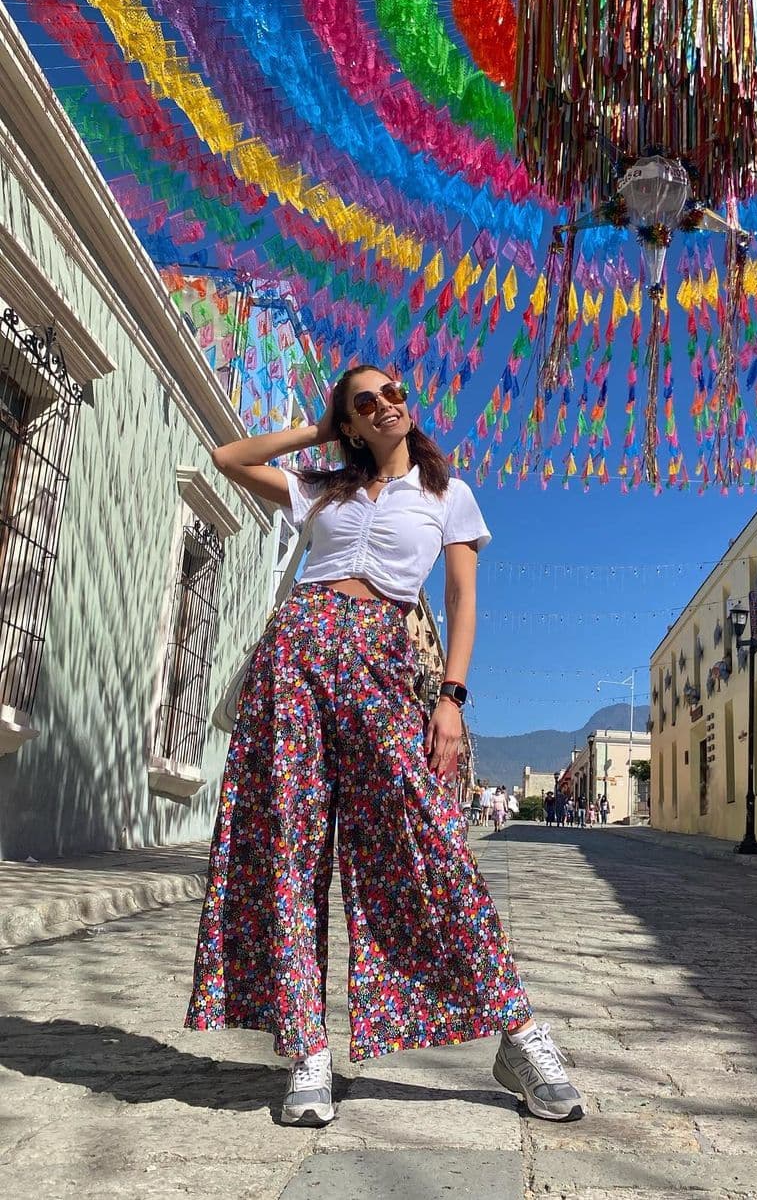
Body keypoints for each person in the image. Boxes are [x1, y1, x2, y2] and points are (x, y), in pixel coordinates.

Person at [185, 366, 583, 1127]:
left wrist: (452, 701)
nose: (386, 403)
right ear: (352, 422)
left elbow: (463, 601)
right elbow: (226, 458)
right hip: (296, 654)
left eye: (394, 390)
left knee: (433, 847)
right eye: (364, 401)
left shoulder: (448, 495)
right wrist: (319, 432)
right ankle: (306, 1051)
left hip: (383, 664)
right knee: (289, 849)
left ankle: (520, 1033)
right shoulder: (321, 489)